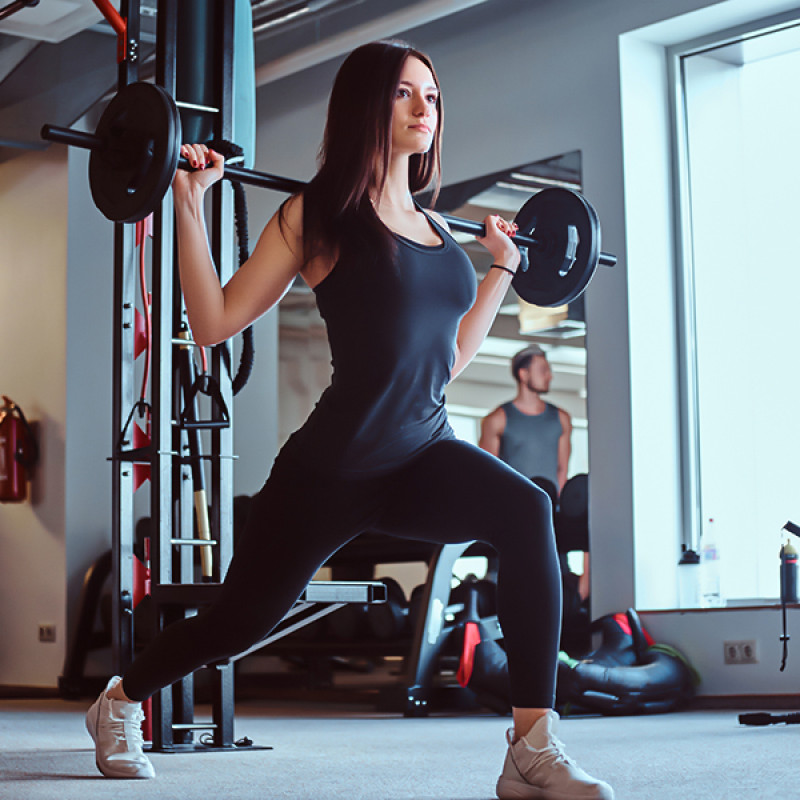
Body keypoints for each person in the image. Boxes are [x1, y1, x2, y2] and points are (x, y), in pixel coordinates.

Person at [84, 40, 613, 800]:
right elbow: (213, 322)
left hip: (422, 451)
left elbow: (450, 361)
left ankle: (532, 746)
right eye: (405, 93)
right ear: (368, 105)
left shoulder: (441, 236)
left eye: (432, 95)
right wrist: (187, 204)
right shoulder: (318, 216)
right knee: (239, 623)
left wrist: (501, 268)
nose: (425, 107)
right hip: (330, 470)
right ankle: (121, 700)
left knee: (528, 509)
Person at [479, 345, 572, 491]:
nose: (550, 376)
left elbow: (562, 471)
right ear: (523, 374)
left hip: (550, 508)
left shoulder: (562, 418)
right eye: (543, 371)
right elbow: (487, 474)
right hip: (511, 506)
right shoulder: (496, 420)